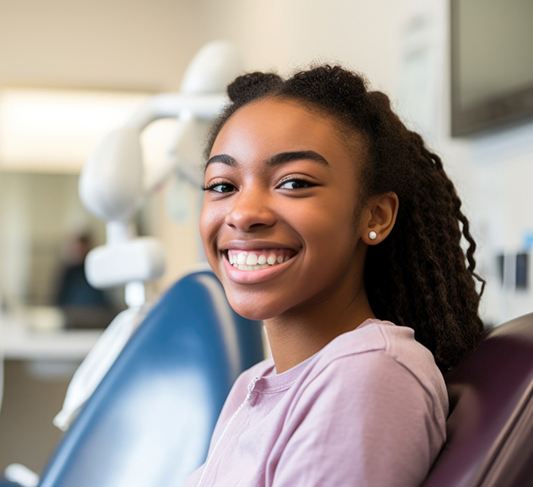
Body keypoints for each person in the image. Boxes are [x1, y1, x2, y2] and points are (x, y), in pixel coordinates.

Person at [185, 65, 485, 486]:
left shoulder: (368, 374)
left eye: (293, 183)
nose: (244, 213)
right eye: (222, 186)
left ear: (374, 215)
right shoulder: (252, 385)